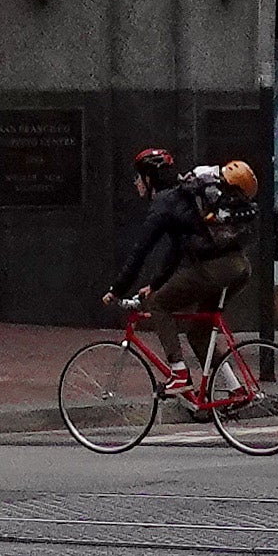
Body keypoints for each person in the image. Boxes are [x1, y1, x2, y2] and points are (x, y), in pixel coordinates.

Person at [104, 148, 258, 395]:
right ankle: (236, 390)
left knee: (159, 305)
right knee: (198, 333)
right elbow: (176, 251)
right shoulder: (182, 198)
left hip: (215, 269)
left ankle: (179, 373)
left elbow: (140, 251)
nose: (135, 184)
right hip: (238, 267)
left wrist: (117, 289)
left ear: (149, 178)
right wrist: (154, 283)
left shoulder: (163, 204)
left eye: (137, 177)